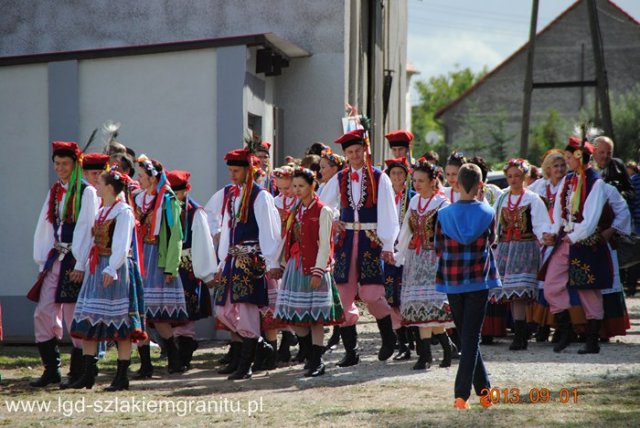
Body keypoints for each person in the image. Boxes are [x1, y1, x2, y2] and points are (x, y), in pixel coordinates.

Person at [320, 128, 399, 366]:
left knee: (372, 294)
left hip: (370, 240)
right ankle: (351, 351)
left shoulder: (379, 177)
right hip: (346, 242)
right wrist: (334, 219)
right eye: (350, 152)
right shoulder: (340, 177)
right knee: (343, 296)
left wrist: (387, 243)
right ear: (345, 155)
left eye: (358, 151)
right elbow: (324, 204)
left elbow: (388, 211)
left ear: (365, 150)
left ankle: (388, 335)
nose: (354, 156)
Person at [69, 167, 147, 390]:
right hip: (98, 267)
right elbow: (92, 241)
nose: (96, 186)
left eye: (100, 183)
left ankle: (122, 376)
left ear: (110, 188)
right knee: (89, 319)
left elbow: (122, 244)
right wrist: (82, 264)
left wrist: (111, 269)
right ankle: (88, 373)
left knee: (120, 323)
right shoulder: (102, 210)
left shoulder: (124, 212)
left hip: (116, 269)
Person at [30, 141, 99, 388]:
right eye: (57, 164)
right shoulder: (56, 191)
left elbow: (87, 229)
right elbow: (46, 226)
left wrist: (81, 263)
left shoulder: (86, 191)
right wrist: (42, 261)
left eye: (65, 164)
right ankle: (52, 368)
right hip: (55, 259)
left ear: (75, 164)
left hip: (75, 260)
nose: (60, 168)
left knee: (73, 316)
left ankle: (79, 371)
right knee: (43, 312)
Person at [434, 163, 501, 410]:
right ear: (481, 185)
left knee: (467, 337)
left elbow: (438, 247)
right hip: (478, 280)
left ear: (457, 184)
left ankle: (483, 394)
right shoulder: (488, 212)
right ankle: (463, 395)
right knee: (471, 337)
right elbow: (493, 240)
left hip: (452, 281)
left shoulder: (443, 214)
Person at [214, 148, 282, 380]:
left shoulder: (260, 196)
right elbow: (227, 229)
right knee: (223, 309)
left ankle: (246, 364)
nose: (232, 175)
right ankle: (260, 344)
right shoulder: (233, 195)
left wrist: (272, 261)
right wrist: (223, 260)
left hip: (251, 261)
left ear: (248, 170)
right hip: (233, 259)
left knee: (247, 311)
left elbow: (269, 230)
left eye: (236, 170)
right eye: (230, 171)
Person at [541, 136, 612, 355]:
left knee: (588, 290)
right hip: (566, 239)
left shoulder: (595, 183)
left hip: (583, 242)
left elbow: (590, 220)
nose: (567, 162)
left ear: (580, 157)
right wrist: (552, 233)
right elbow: (558, 212)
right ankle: (565, 330)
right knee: (552, 284)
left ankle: (592, 340)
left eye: (570, 158)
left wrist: (574, 235)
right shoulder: (569, 180)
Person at [275, 168, 344, 377]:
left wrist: (318, 271)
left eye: (301, 186)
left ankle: (316, 360)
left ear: (312, 186)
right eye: (294, 186)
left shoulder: (323, 211)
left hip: (314, 266)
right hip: (296, 266)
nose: (296, 190)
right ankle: (308, 351)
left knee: (316, 318)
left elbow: (325, 244)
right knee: (293, 316)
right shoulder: (297, 209)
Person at [394, 159, 453, 370]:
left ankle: (427, 355)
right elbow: (406, 230)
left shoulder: (443, 204)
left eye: (421, 181)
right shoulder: (414, 202)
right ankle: (443, 349)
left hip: (434, 259)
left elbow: (448, 234)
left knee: (429, 307)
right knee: (421, 308)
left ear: (432, 181)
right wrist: (398, 253)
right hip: (415, 258)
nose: (417, 185)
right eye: (415, 180)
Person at [133, 155, 189, 377]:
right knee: (140, 313)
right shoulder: (137, 199)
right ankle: (145, 363)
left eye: (141, 175)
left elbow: (176, 235)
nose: (138, 179)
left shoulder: (168, 200)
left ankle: (174, 358)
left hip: (158, 258)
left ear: (152, 177)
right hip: (140, 257)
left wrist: (171, 267)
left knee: (160, 315)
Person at [491, 159, 550, 351]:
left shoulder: (532, 199)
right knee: (510, 293)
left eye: (517, 176)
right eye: (510, 176)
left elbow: (541, 224)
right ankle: (517, 332)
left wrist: (545, 236)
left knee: (520, 293)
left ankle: (520, 336)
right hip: (506, 250)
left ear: (524, 177)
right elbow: (494, 223)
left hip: (525, 249)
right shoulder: (502, 199)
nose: (513, 180)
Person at [166, 170, 217, 371]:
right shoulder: (165, 209)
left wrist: (206, 273)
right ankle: (177, 350)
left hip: (189, 267)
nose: (175, 198)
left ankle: (185, 352)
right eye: (172, 194)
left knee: (186, 311)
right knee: (171, 312)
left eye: (178, 194)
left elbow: (203, 243)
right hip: (170, 266)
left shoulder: (195, 213)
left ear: (186, 191)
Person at [382, 156, 416, 360]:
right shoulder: (382, 198)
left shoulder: (412, 197)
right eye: (393, 173)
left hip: (408, 252)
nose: (396, 177)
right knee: (391, 296)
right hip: (388, 252)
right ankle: (401, 341)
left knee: (406, 294)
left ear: (406, 176)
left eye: (400, 173)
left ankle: (413, 337)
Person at [592, 136, 634, 202]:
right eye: (602, 152)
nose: (605, 156)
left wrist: (618, 195)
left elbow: (631, 192)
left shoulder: (617, 165)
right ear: (593, 152)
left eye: (609, 153)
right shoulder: (587, 169)